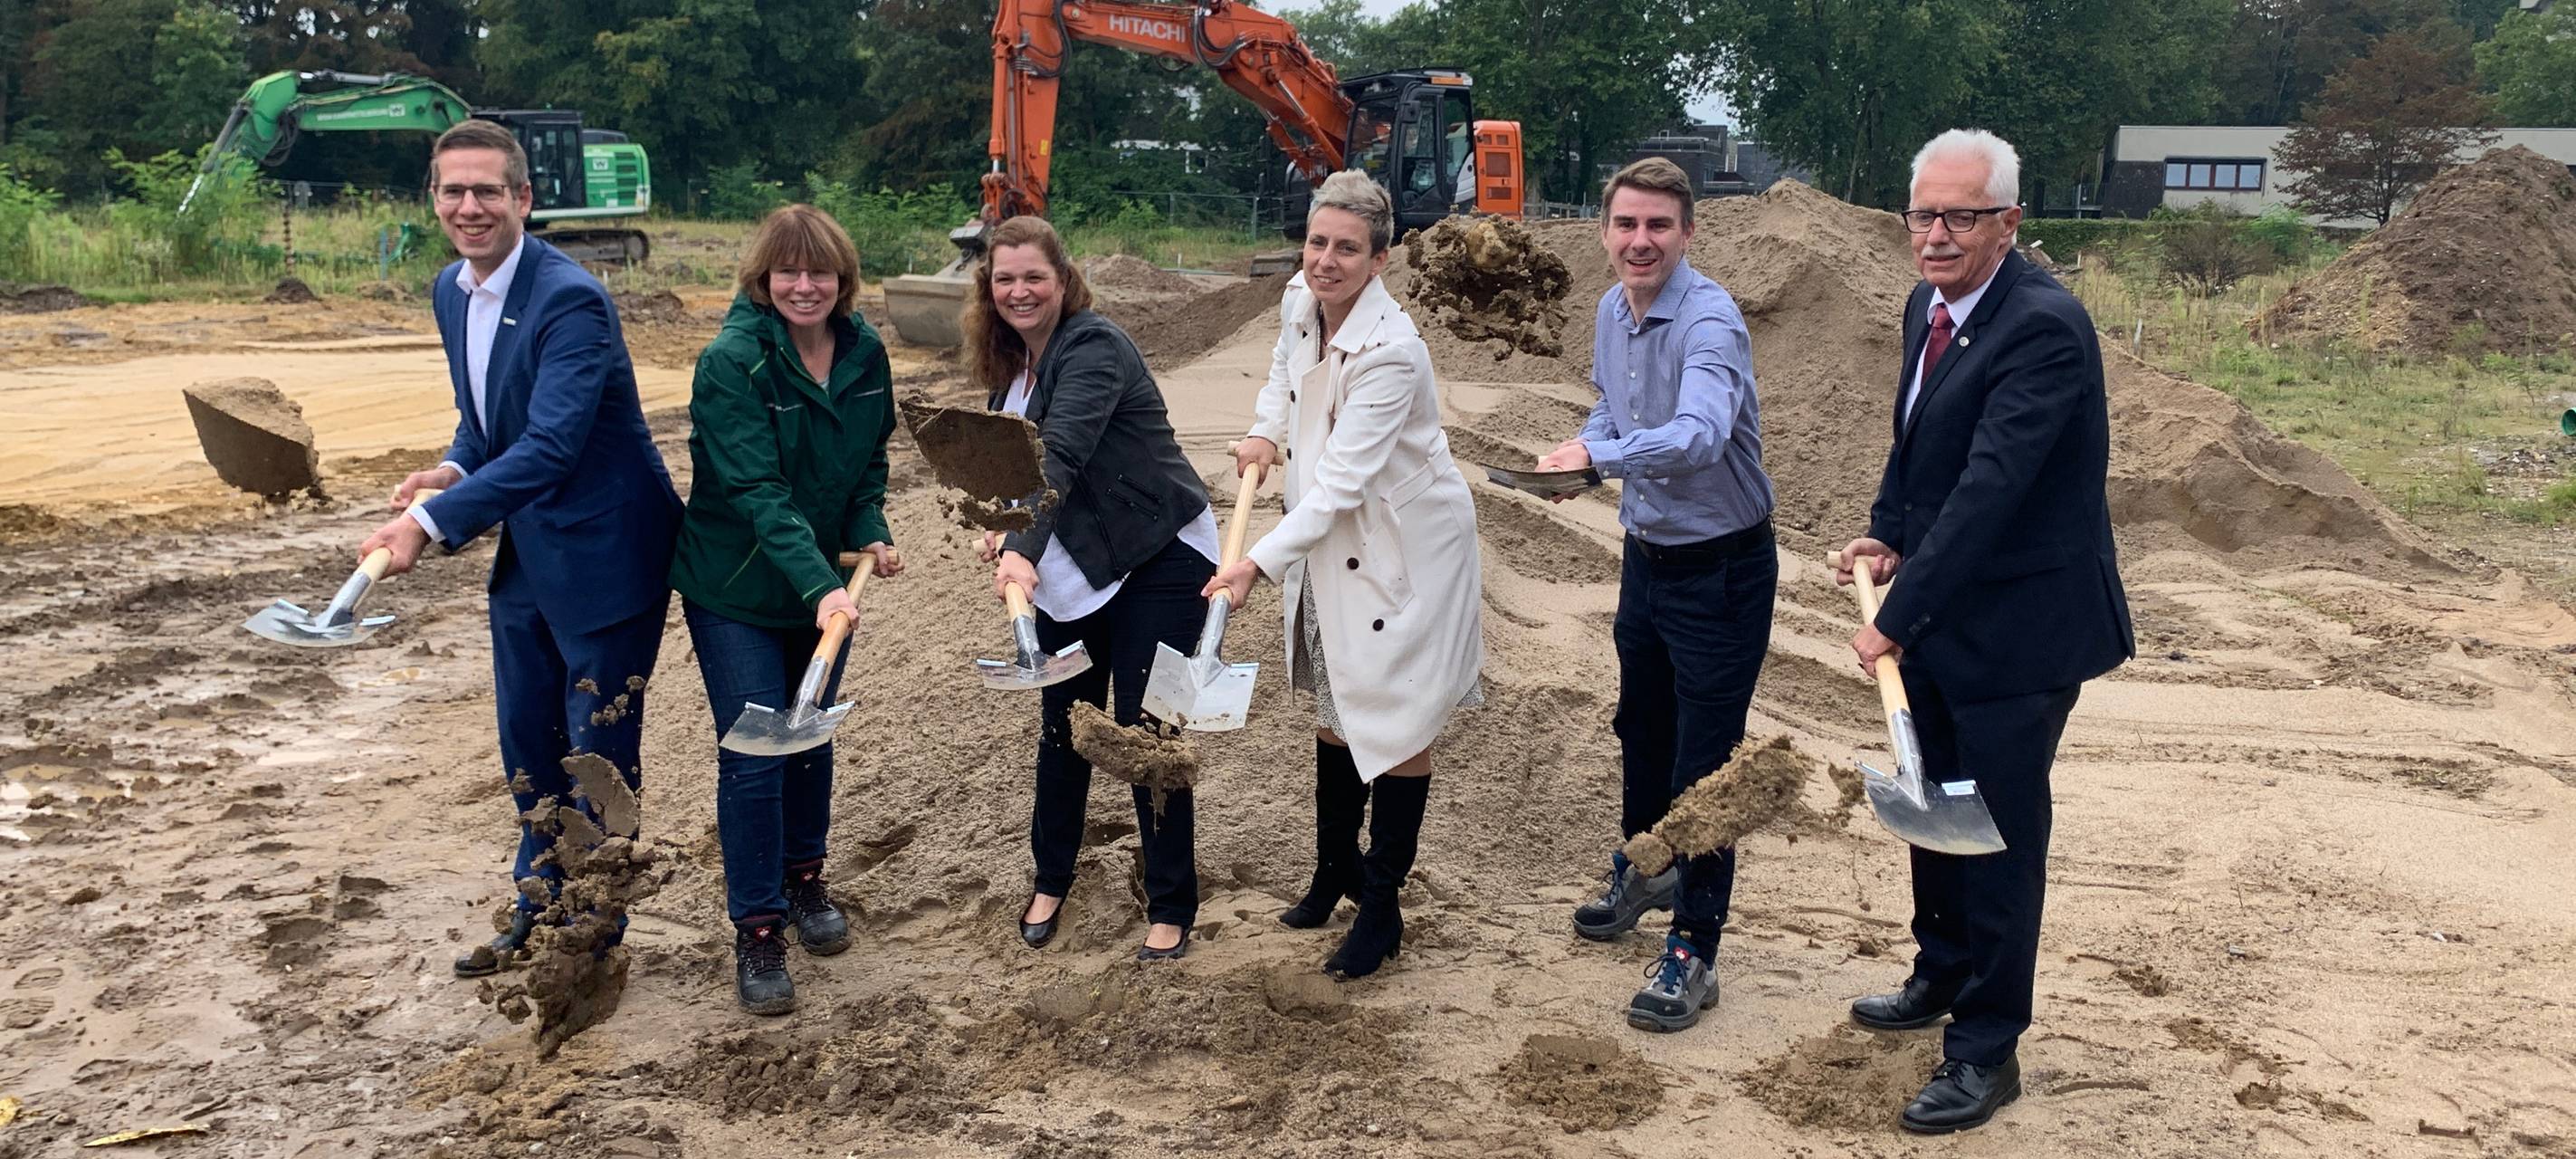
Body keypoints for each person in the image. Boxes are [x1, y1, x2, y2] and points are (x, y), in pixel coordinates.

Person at [1835, 129, 2132, 1134]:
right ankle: (1940, 972)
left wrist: (1896, 620)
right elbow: (1918, 452)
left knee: (1997, 836)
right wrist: (1883, 530)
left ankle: (1985, 1044)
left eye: (1961, 215)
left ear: (2008, 221)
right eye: (1922, 212)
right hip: (1943, 618)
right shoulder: (1926, 304)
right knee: (1935, 806)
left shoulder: (2043, 327)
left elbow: (1988, 491)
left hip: (2021, 630)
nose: (1936, 233)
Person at [359, 120, 682, 980]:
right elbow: (489, 417)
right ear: (435, 199)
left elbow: (550, 447)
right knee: (525, 739)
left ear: (524, 199)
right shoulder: (450, 291)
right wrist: (455, 463)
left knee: (596, 749)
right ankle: (539, 904)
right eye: (453, 191)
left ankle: (590, 934)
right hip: (530, 554)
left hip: (610, 553)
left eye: (487, 191)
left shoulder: (569, 298)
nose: (470, 207)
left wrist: (427, 526)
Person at [1209, 169, 1484, 981]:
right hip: (1331, 542)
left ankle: (1384, 901)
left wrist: (1256, 560)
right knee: (1337, 705)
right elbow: (1281, 377)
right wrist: (1265, 433)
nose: (1325, 261)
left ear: (1381, 259)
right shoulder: (1302, 297)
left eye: (1347, 249)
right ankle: (1336, 870)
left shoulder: (1394, 353)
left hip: (1402, 552)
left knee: (1395, 725)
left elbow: (1340, 484)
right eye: (1317, 241)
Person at [1533, 156, 1776, 1033]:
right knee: (1641, 724)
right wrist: (1577, 449)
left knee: (1705, 764)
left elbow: (1700, 433)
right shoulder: (1610, 310)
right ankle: (1649, 864)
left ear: (1687, 234)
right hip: (1648, 556)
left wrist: (1605, 457)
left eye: (1658, 226)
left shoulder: (1709, 320)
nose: (1639, 241)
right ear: (1604, 230)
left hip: (1723, 567)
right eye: (1626, 224)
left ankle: (1694, 947)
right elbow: (1615, 411)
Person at [669, 204, 903, 1015]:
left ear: (843, 280)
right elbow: (757, 492)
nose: (805, 286)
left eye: (820, 272)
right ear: (763, 280)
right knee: (756, 752)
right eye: (788, 273)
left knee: (811, 739)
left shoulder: (866, 353)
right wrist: (821, 588)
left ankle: (806, 882)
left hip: (824, 588)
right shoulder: (733, 361)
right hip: (737, 586)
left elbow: (869, 461)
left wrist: (868, 533)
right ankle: (759, 928)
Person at [965, 216, 1219, 962]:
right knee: (1064, 727)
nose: (1019, 291)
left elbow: (1060, 456)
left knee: (1150, 733)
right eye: (1004, 279)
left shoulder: (1096, 348)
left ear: (1064, 279)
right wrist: (996, 525)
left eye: (1033, 277)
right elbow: (1010, 472)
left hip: (1157, 558)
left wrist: (1020, 547)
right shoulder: (1011, 368)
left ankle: (1171, 903)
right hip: (1073, 573)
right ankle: (1052, 879)